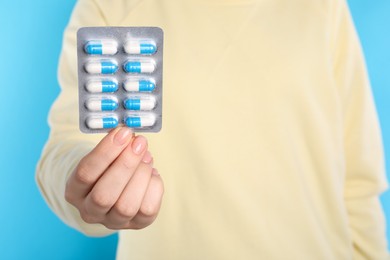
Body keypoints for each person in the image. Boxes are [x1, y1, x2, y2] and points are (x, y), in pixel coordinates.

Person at [36, 0, 390, 259]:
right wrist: (86, 179)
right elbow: (65, 148)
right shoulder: (111, 5)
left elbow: (358, 185)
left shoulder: (324, 8)